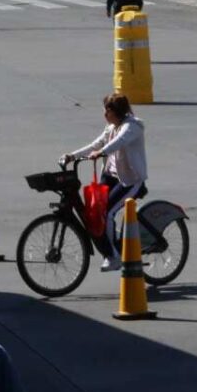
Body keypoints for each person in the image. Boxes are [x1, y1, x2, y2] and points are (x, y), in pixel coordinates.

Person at [61, 92, 147, 272]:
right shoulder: (111, 127)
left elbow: (119, 141)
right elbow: (95, 145)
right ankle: (113, 240)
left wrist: (102, 153)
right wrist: (72, 156)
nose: (104, 115)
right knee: (95, 211)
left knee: (107, 213)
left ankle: (113, 257)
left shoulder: (132, 126)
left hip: (129, 180)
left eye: (106, 111)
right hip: (111, 176)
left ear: (115, 112)